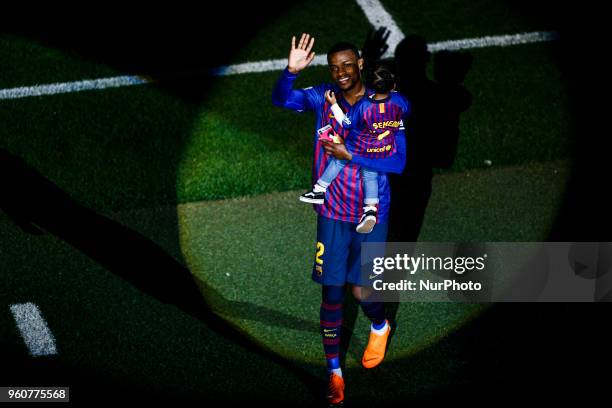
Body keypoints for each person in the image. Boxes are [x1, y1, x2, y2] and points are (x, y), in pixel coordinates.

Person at [272, 33, 407, 405]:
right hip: (332, 212)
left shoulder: (387, 106)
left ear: (361, 64)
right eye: (335, 67)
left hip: (372, 212)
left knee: (362, 291)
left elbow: (398, 162)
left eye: (348, 65)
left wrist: (352, 156)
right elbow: (280, 99)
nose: (342, 72)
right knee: (331, 291)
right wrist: (289, 72)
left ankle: (380, 325)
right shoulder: (320, 97)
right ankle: (334, 372)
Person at [299, 63, 410, 235]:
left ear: (370, 87)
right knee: (370, 175)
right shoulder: (400, 102)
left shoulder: (364, 105)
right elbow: (404, 113)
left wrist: (334, 104)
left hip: (361, 147)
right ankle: (370, 209)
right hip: (383, 149)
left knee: (339, 159)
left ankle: (319, 190)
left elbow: (346, 123)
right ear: (393, 85)